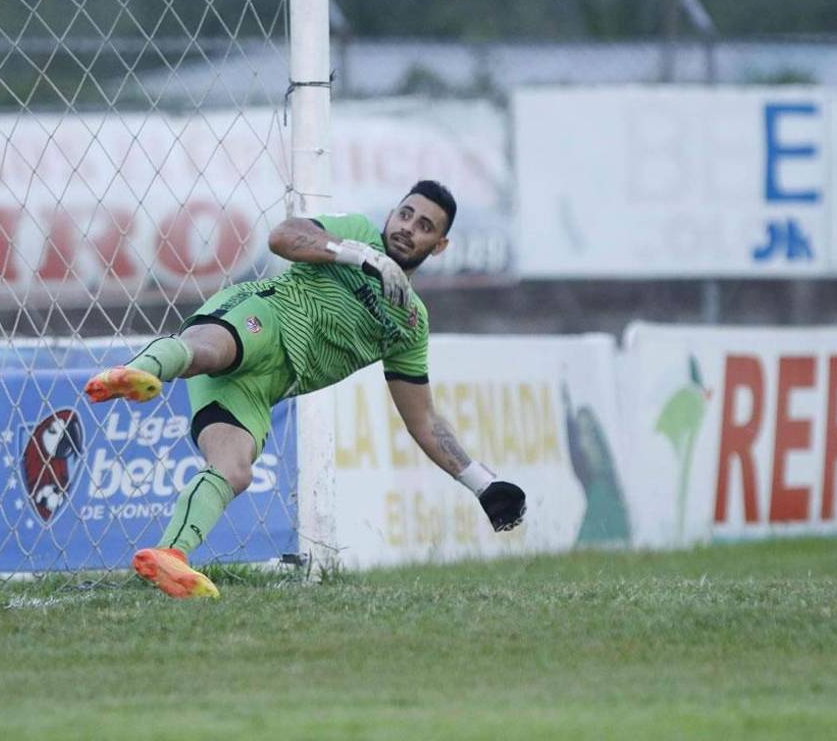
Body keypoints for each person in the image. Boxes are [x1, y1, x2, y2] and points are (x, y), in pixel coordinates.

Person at [84, 180, 527, 599]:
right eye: (405, 215)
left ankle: (169, 554)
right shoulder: (356, 234)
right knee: (209, 351)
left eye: (425, 226)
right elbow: (283, 236)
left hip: (262, 389)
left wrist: (481, 483)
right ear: (391, 214)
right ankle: (133, 372)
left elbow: (423, 421)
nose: (409, 228)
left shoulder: (410, 325)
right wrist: (359, 256)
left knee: (234, 470)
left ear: (440, 246)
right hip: (263, 318)